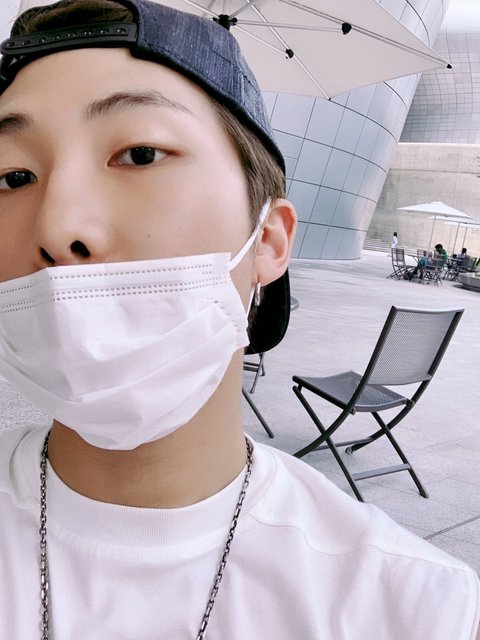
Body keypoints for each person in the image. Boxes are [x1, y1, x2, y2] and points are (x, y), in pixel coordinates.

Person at [0, 1, 478, 638]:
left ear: (269, 241)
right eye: (14, 176)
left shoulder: (413, 609)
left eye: (140, 153)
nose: (57, 226)